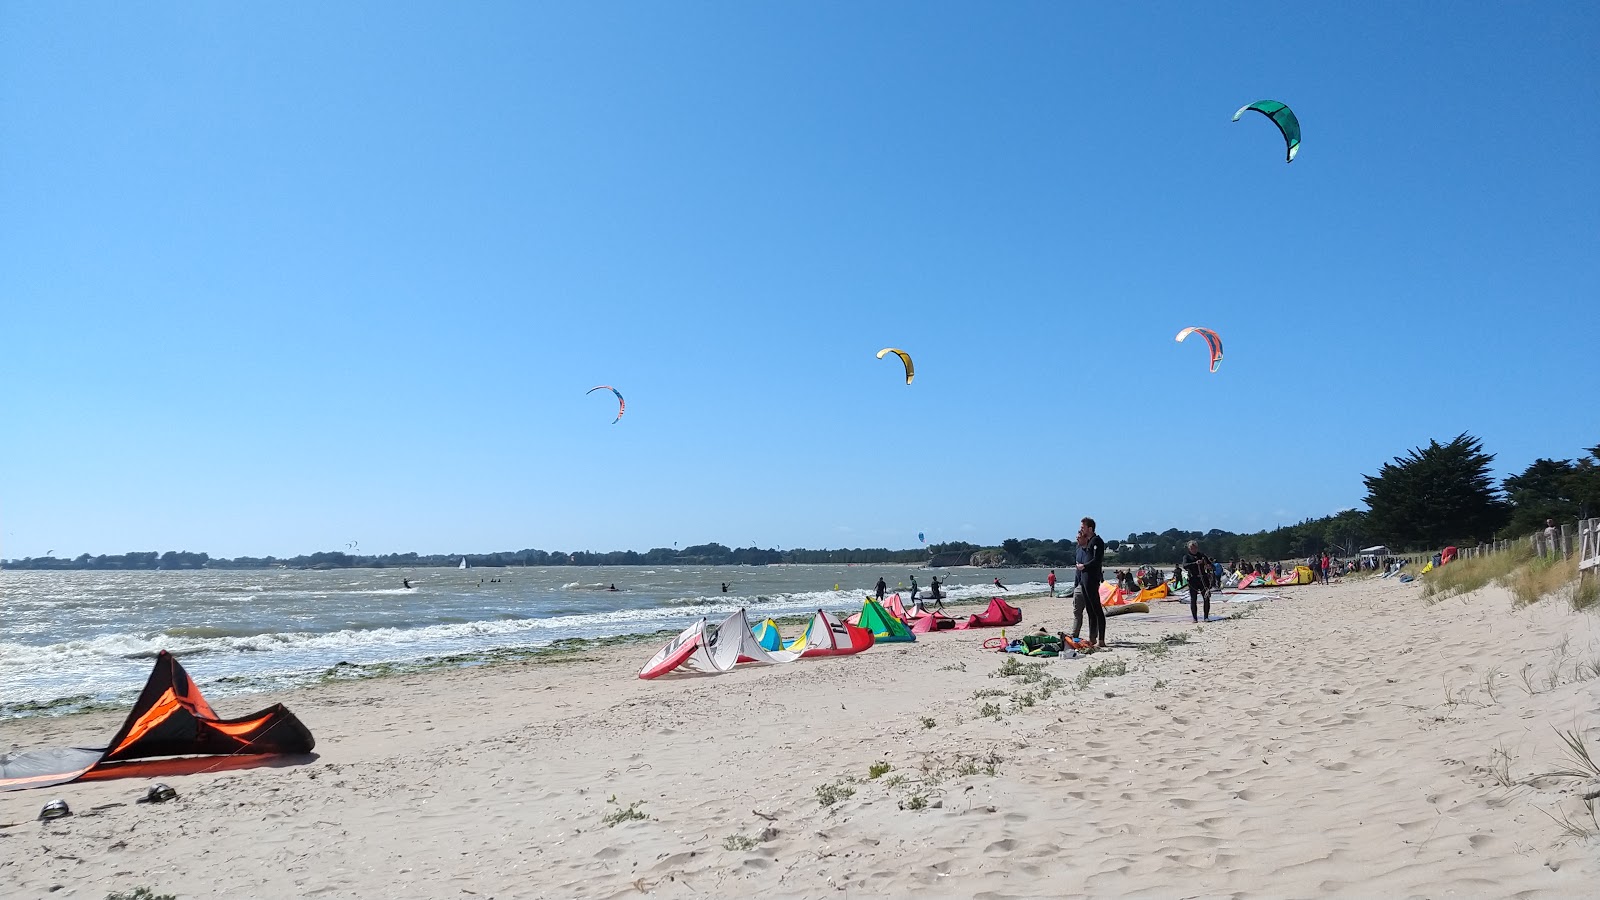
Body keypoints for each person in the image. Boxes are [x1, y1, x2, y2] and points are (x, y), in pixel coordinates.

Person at [1074, 517, 1107, 649]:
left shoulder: (1097, 541)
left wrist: (1084, 566)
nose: (1081, 530)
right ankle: (1092, 638)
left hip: (1092, 579)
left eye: (1083, 527)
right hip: (1084, 580)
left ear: (1090, 528)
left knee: (1097, 609)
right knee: (1089, 610)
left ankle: (1102, 639)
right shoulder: (1087, 543)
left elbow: (1097, 560)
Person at [1180, 540, 1213, 623]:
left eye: (1195, 548)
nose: (1193, 549)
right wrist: (1195, 563)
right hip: (1193, 579)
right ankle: (1195, 618)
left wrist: (1208, 566)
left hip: (1203, 579)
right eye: (1191, 548)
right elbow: (1185, 566)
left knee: (1206, 598)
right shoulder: (1186, 557)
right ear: (1189, 548)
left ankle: (1206, 617)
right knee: (1193, 599)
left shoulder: (1202, 555)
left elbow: (1210, 565)